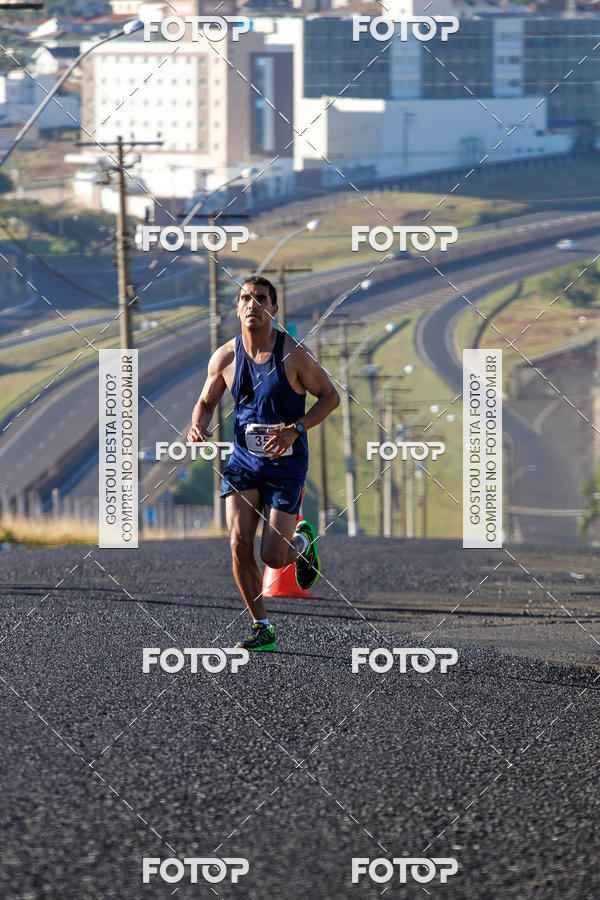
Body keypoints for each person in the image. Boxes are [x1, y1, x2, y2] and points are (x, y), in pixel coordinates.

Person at [187, 275, 340, 651]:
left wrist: (296, 429)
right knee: (239, 544)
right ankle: (263, 628)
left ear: (273, 309)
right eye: (245, 298)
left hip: (286, 465)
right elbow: (206, 403)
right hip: (243, 462)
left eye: (260, 298)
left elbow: (330, 397)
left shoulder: (294, 355)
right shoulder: (225, 357)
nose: (251, 304)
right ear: (237, 309)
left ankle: (303, 543)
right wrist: (197, 426)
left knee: (272, 555)